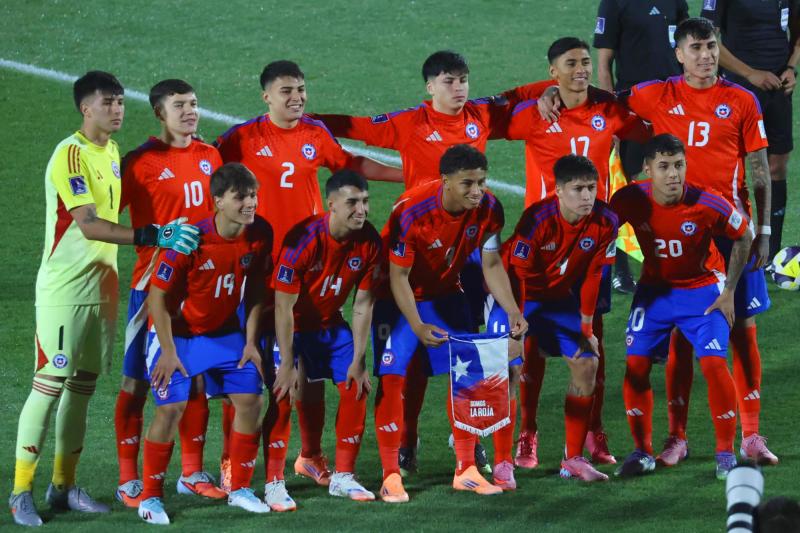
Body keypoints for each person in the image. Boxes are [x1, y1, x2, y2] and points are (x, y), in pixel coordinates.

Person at [539, 17, 777, 465]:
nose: (706, 56)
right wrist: (548, 91)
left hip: (728, 229)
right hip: (673, 225)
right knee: (681, 342)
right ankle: (677, 438)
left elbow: (760, 170)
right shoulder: (656, 94)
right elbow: (598, 98)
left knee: (744, 331)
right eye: (697, 48)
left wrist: (762, 231)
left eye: (712, 46)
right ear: (679, 54)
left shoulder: (741, 100)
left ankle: (751, 434)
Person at [9, 71, 199, 527]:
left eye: (120, 102)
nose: (117, 110)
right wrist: (156, 233)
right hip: (64, 291)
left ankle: (62, 484)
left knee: (82, 389)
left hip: (103, 288)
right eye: (108, 102)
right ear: (85, 108)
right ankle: (20, 491)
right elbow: (90, 224)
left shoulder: (112, 152)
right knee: (48, 386)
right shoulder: (70, 154)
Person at [316, 50, 514, 471]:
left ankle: (467, 441)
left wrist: (549, 93)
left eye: (463, 80)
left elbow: (515, 102)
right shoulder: (412, 126)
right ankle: (404, 445)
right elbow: (361, 129)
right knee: (404, 368)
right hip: (408, 251)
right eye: (448, 81)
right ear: (430, 86)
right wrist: (311, 121)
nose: (458, 88)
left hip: (456, 253)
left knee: (466, 361)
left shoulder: (480, 120)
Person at [215, 60, 401, 490]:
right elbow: (211, 175)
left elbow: (351, 165)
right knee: (250, 368)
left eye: (301, 89)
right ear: (266, 96)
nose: (296, 97)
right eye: (286, 91)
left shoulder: (315, 133)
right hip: (258, 268)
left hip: (311, 265)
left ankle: (311, 455)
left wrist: (408, 173)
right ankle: (230, 459)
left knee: (311, 372)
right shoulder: (241, 137)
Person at [503, 37, 650, 469]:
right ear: (553, 72)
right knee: (529, 345)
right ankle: (527, 434)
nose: (581, 69)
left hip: (591, 249)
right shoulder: (535, 115)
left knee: (592, 343)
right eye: (571, 64)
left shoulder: (608, 111)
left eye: (586, 62)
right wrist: (540, 92)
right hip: (541, 247)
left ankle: (593, 432)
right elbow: (486, 115)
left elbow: (645, 128)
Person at [374, 144, 527, 501]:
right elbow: (398, 277)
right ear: (445, 181)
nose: (477, 192)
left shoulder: (489, 208)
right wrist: (416, 325)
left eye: (482, 182)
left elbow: (491, 264)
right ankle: (390, 475)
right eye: (467, 184)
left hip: (446, 292)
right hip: (397, 300)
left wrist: (514, 310)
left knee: (467, 375)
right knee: (393, 378)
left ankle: (466, 469)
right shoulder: (411, 212)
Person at [610, 134, 752, 480]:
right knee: (636, 365)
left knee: (715, 364)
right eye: (664, 167)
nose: (673, 174)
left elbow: (743, 236)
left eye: (678, 165)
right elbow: (601, 230)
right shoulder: (628, 199)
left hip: (703, 292)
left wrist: (730, 290)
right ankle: (642, 451)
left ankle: (724, 453)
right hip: (654, 293)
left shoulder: (707, 202)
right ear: (647, 169)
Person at [137, 163, 272, 524]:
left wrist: (251, 341)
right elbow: (158, 298)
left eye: (253, 195)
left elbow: (258, 289)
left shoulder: (260, 232)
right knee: (170, 409)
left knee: (250, 400)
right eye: (240, 197)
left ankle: (240, 488)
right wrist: (167, 351)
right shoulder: (190, 239)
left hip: (225, 333)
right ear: (218, 202)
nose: (250, 203)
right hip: (177, 335)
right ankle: (150, 499)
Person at [114, 79, 225, 508]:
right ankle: (128, 479)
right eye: (180, 105)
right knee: (137, 381)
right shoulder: (140, 162)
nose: (190, 112)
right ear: (159, 113)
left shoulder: (211, 156)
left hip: (200, 286)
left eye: (194, 104)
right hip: (152, 287)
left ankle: (192, 472)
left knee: (193, 376)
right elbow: (108, 219)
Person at [487, 154, 618, 482]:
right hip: (516, 297)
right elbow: (517, 274)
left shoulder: (606, 220)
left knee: (588, 365)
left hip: (558, 300)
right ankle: (504, 461)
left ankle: (572, 458)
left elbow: (593, 273)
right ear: (558, 190)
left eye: (591, 188)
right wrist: (516, 327)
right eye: (578, 189)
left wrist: (587, 327)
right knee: (510, 366)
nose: (587, 196)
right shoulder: (537, 219)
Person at [269, 170, 382, 509]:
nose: (360, 210)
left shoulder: (370, 241)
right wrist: (287, 362)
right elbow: (282, 307)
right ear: (331, 204)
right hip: (289, 325)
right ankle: (274, 482)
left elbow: (363, 304)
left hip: (331, 325)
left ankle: (343, 476)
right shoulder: (303, 240)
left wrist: (359, 359)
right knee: (283, 393)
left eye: (364, 202)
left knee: (356, 386)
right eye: (352, 203)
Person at [593, 0, 690, 293]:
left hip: (673, 102)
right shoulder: (614, 3)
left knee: (674, 177)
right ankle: (620, 268)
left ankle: (677, 258)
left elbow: (686, 44)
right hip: (633, 103)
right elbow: (603, 63)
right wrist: (611, 115)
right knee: (627, 185)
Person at [701, 0, 799, 260]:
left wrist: (791, 67)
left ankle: (772, 250)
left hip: (777, 88)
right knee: (729, 168)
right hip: (736, 90)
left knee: (776, 166)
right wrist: (751, 73)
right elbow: (708, 39)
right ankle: (721, 244)